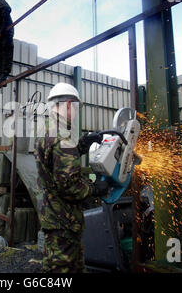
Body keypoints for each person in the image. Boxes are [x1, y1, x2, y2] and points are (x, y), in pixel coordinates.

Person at [34, 82, 108, 273]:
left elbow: (56, 162)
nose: (76, 113)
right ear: (68, 104)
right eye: (76, 107)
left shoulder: (47, 129)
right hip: (64, 221)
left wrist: (84, 144)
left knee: (64, 266)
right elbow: (69, 186)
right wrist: (95, 189)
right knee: (61, 270)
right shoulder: (63, 137)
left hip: (52, 214)